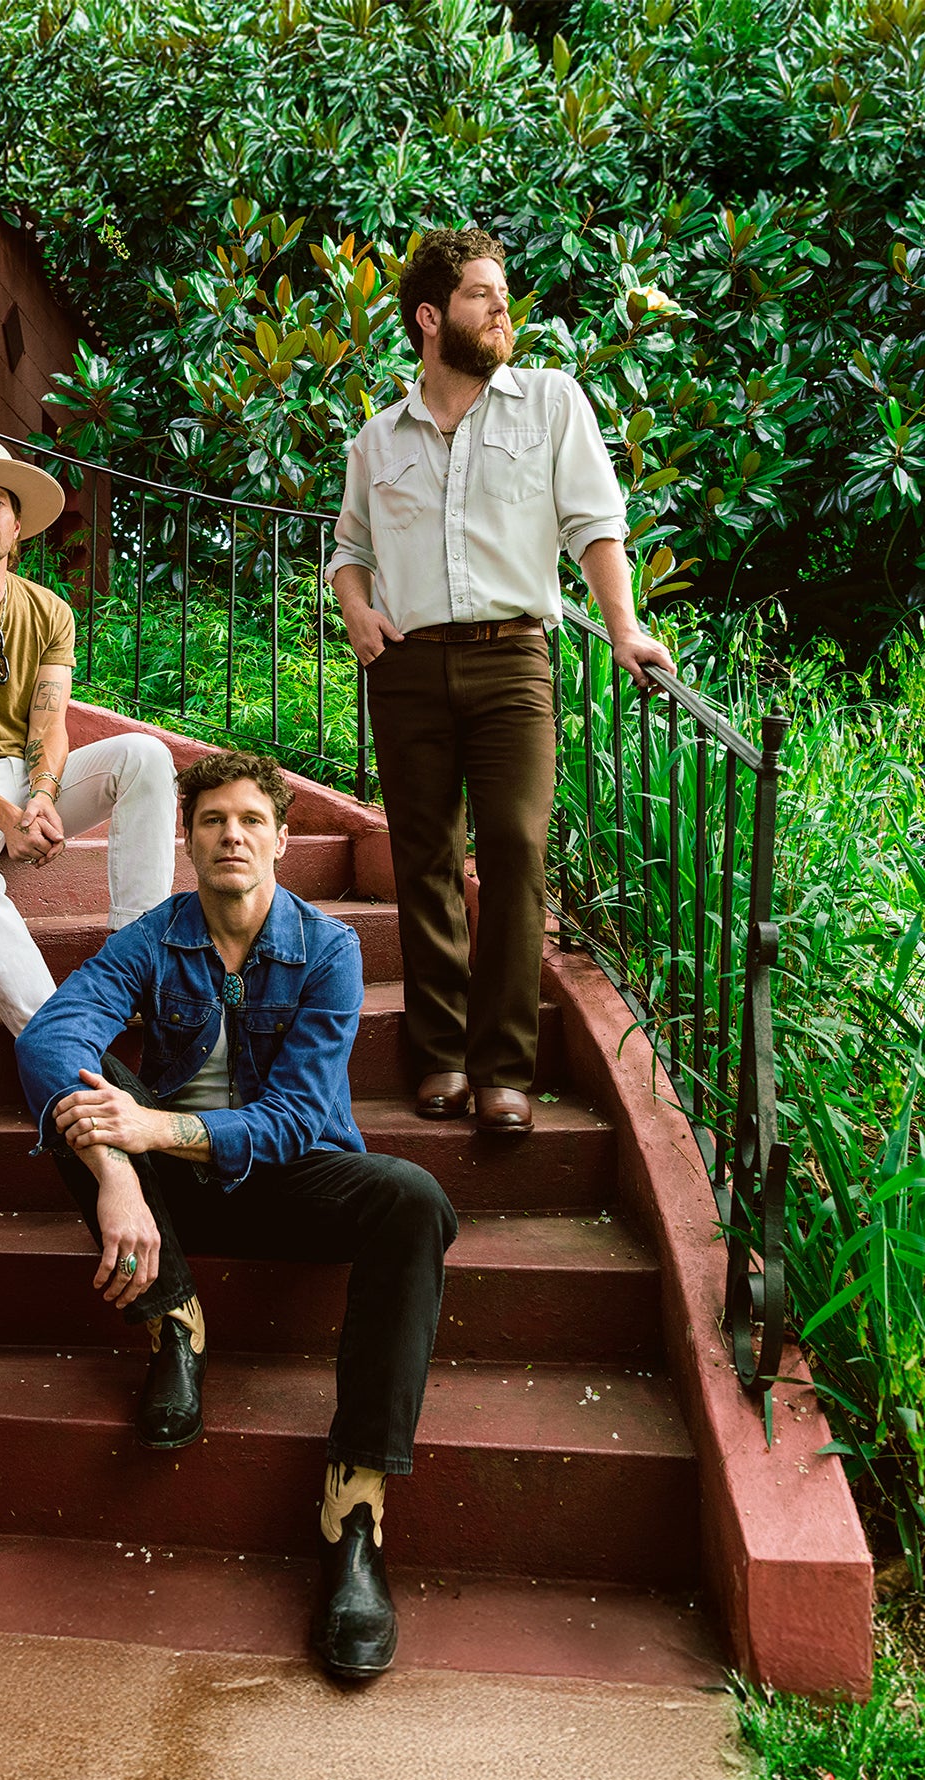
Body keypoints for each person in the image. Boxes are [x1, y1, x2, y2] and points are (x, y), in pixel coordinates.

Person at [16, 749, 457, 1681]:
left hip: (292, 1184)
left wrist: (151, 1130)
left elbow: (295, 1119)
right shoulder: (154, 937)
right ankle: (174, 1319)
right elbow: (52, 1033)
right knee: (77, 1093)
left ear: (283, 840)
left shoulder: (328, 949)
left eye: (252, 820)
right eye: (213, 820)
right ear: (187, 839)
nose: (232, 836)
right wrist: (118, 1171)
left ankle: (355, 1510)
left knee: (414, 1199)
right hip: (175, 1200)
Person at [327, 228, 677, 1133]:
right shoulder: (378, 439)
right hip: (406, 667)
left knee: (517, 851)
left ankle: (503, 1069)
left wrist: (625, 630)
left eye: (503, 293)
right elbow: (349, 550)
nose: (502, 308)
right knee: (424, 860)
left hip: (514, 659)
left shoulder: (551, 403)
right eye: (482, 294)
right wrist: (358, 611)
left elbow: (594, 524)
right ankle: (440, 1059)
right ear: (430, 317)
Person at [0, 436, 176, 1034]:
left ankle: (137, 958)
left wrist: (43, 796)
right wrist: (8, 818)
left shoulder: (50, 611)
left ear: (17, 525)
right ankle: (53, 1033)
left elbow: (49, 725)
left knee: (146, 755)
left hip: (31, 779)